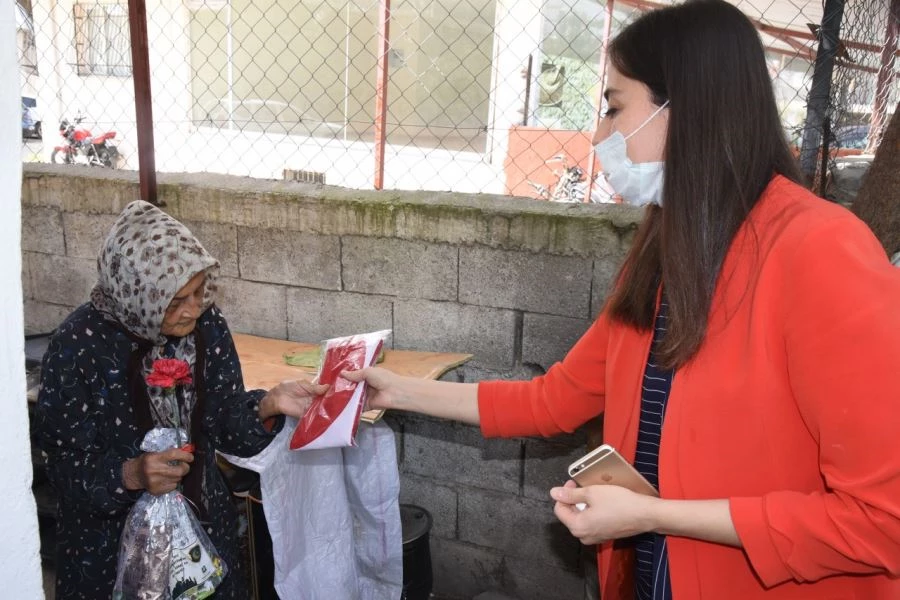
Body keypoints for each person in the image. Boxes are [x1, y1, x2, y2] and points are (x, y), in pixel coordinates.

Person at [343, 1, 900, 598]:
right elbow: (553, 401)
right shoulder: (664, 246)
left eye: (614, 107)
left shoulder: (820, 250)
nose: (601, 135)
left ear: (687, 105)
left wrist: (655, 515)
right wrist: (397, 390)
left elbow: (881, 522)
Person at [36, 200, 326, 600]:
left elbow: (225, 425)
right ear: (136, 292)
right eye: (174, 300)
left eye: (197, 291)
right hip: (110, 549)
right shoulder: (78, 346)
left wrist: (268, 405)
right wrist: (132, 474)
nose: (193, 310)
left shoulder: (206, 324)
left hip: (201, 537)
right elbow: (64, 467)